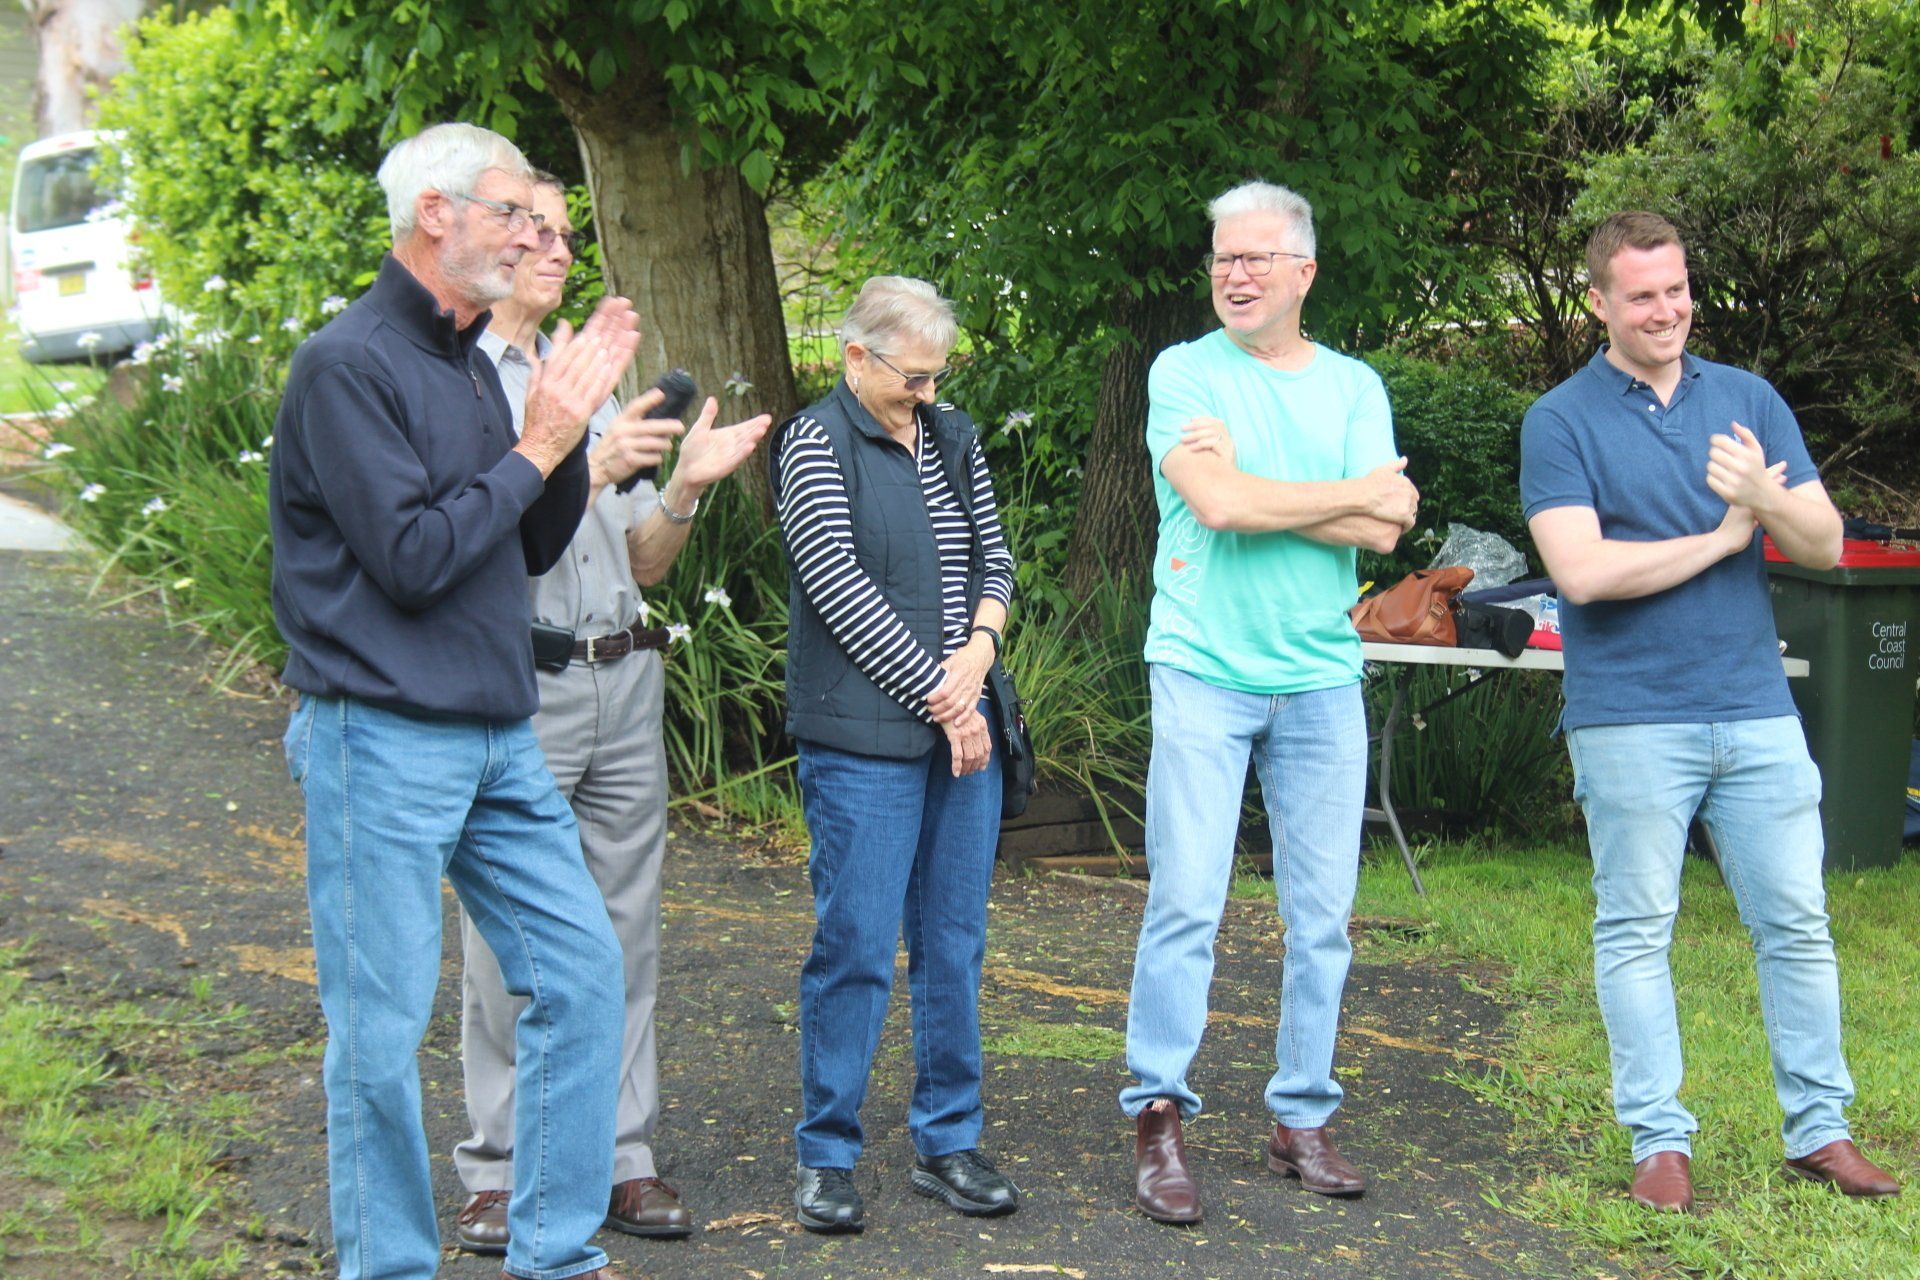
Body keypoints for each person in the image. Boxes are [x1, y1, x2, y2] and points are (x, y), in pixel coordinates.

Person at [269, 123, 640, 1280]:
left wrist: (563, 429)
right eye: (513, 214)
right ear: (436, 213)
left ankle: (556, 1252)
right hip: (374, 737)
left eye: (539, 220)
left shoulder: (476, 361)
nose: (533, 235)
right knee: (379, 1037)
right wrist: (539, 440)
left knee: (581, 978)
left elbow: (527, 537)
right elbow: (416, 559)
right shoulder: (349, 365)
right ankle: (386, 1265)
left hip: (495, 736)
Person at [1520, 210, 1902, 1213]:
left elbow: (1821, 542)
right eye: (1642, 294)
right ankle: (1660, 1141)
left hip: (1755, 706)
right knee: (1637, 926)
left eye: (1678, 287)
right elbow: (1583, 572)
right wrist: (1729, 529)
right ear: (1599, 299)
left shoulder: (1748, 400)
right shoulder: (1560, 420)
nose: (1668, 309)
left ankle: (1819, 1129)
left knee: (1798, 923)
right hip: (1630, 713)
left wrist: (1764, 507)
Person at [450, 176, 771, 1253]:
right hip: (521, 682)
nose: (552, 245)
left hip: (624, 676)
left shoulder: (587, 375)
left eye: (562, 230)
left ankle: (620, 1155)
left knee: (627, 930)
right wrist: (586, 464)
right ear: (483, 239)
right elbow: (469, 542)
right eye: (532, 227)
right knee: (510, 934)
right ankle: (501, 1165)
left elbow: (643, 560)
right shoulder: (454, 379)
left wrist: (682, 486)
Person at [1120, 181, 1419, 1226]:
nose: (1233, 275)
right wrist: (1342, 495)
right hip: (1204, 665)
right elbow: (1221, 503)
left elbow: (1389, 535)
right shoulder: (1184, 371)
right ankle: (1158, 1111)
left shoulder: (1352, 383)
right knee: (1188, 901)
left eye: (1255, 259)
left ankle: (1301, 1115)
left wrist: (1279, 496)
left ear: (1304, 272)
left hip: (1323, 676)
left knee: (1323, 918)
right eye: (1220, 258)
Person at [769, 276, 1019, 1234]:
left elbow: (996, 560)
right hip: (864, 743)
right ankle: (826, 1153)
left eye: (936, 374)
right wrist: (944, 697)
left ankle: (948, 1140)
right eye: (911, 375)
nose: (927, 391)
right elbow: (836, 582)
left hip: (964, 718)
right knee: (858, 948)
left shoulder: (952, 434)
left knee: (954, 944)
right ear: (856, 358)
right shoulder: (814, 442)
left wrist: (980, 655)